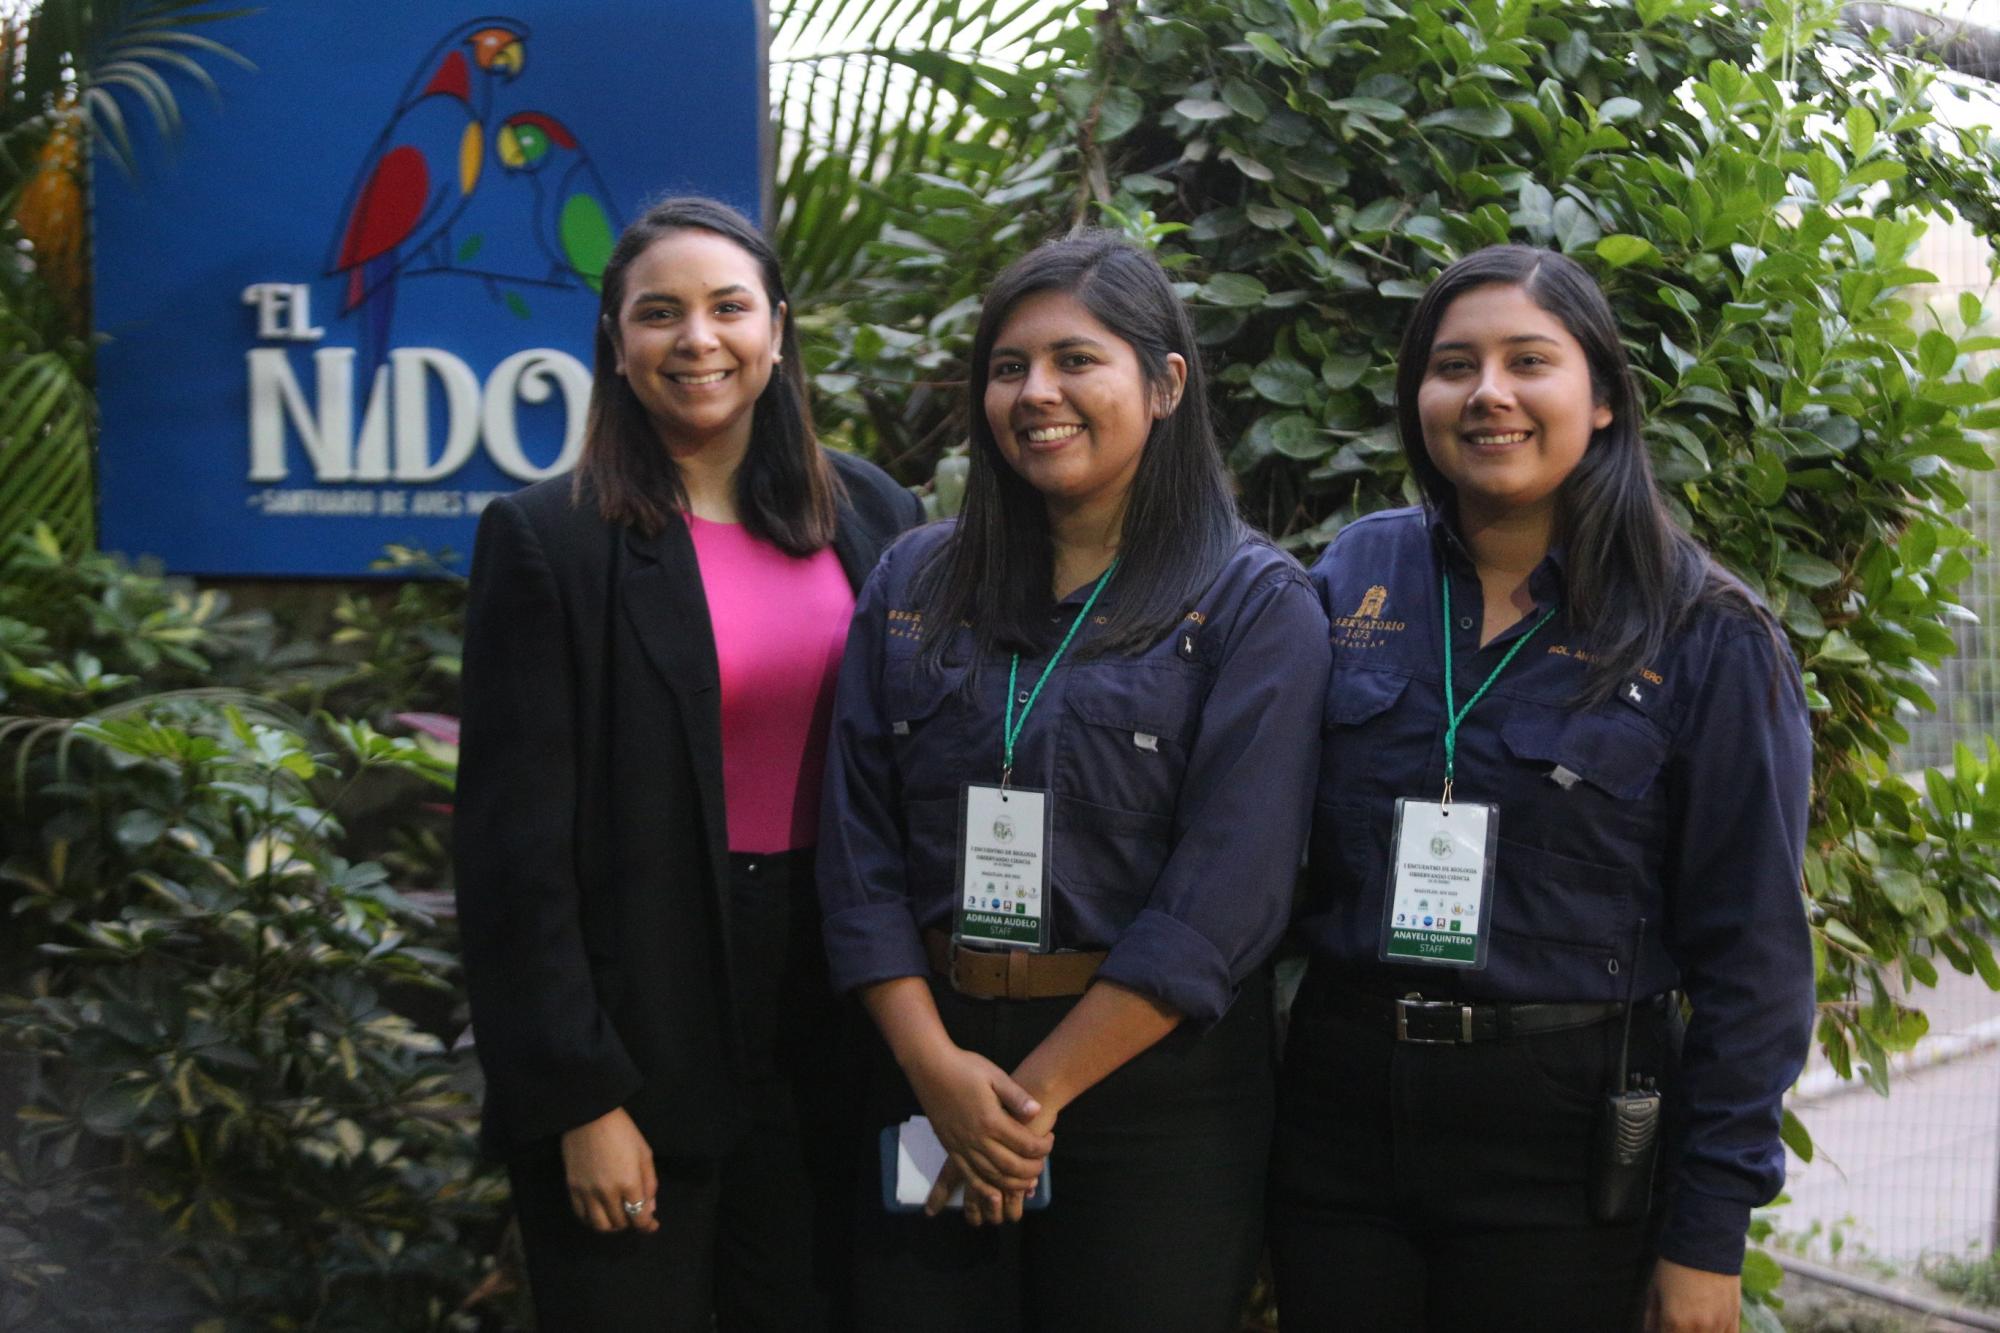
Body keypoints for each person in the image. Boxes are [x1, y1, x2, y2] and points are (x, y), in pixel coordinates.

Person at [1268, 244, 1815, 1332]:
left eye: (1528, 361)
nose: (1487, 395)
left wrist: (1708, 1234)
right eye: (1452, 365)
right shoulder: (1351, 578)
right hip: (1337, 1114)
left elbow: (1753, 959)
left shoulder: (1702, 630)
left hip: (1564, 1140)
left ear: (1602, 398)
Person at [816, 230, 1330, 1333]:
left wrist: (1029, 1098)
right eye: (1008, 368)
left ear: (1162, 383)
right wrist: (938, 1073)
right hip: (927, 1061)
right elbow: (854, 848)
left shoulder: (1252, 602)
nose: (1036, 393)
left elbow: (1223, 896)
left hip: (1153, 1098)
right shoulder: (914, 577)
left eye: (1073, 360)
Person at [453, 196, 923, 1330]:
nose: (696, 339)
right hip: (641, 1017)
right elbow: (513, 857)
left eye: (726, 308)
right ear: (616, 342)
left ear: (776, 329)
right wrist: (581, 1099)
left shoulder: (870, 511)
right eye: (658, 314)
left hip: (834, 1006)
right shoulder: (549, 538)